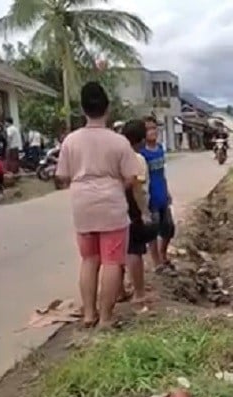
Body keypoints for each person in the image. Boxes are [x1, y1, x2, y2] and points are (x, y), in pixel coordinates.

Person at [55, 81, 141, 329]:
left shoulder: (71, 141)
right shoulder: (118, 142)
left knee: (89, 259)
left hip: (82, 205)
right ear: (108, 108)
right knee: (112, 261)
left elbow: (63, 175)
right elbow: (131, 177)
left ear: (83, 109)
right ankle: (106, 318)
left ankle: (89, 314)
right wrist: (113, 188)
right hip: (112, 206)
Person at [120, 119, 155, 303]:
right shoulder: (137, 158)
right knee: (134, 250)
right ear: (141, 139)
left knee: (117, 250)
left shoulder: (114, 154)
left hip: (113, 204)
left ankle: (118, 291)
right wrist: (144, 212)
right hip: (131, 205)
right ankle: (139, 293)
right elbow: (138, 189)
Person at [140, 116, 176, 273]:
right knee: (152, 232)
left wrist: (167, 192)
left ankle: (163, 254)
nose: (152, 132)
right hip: (151, 198)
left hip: (162, 195)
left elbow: (162, 174)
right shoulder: (142, 154)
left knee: (168, 228)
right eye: (148, 129)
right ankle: (157, 263)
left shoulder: (160, 149)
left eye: (154, 128)